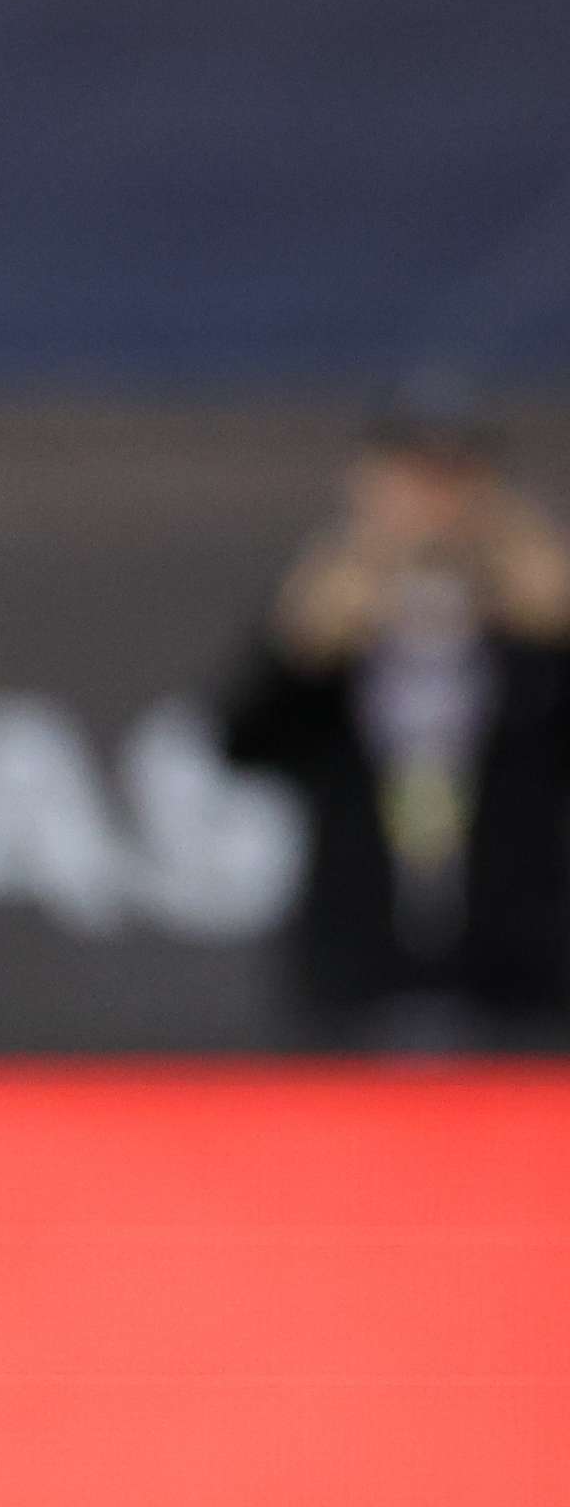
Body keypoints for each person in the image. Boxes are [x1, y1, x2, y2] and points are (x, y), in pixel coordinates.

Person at [218, 380, 570, 1047]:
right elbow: (238, 745)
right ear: (367, 487)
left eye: (452, 479)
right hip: (356, 980)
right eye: (410, 479)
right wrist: (300, 651)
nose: (431, 506)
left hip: (516, 988)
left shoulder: (534, 628)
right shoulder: (329, 617)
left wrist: (556, 635)